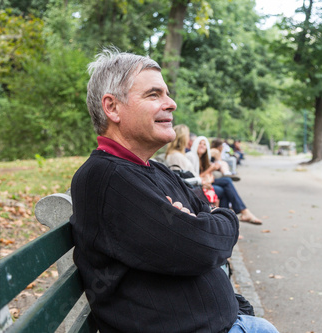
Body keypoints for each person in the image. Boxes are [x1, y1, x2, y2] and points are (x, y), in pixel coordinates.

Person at [70, 48, 278, 333]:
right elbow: (202, 247)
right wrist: (212, 221)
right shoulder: (107, 177)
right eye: (154, 95)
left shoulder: (155, 169)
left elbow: (208, 223)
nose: (171, 104)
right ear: (112, 107)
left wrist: (204, 221)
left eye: (166, 94)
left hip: (231, 321)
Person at [190, 136, 263, 225]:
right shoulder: (191, 157)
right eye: (200, 143)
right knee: (225, 187)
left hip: (207, 182)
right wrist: (211, 169)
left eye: (204, 144)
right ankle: (232, 220)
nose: (202, 146)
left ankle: (229, 222)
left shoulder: (204, 159)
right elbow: (196, 178)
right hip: (198, 185)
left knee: (226, 182)